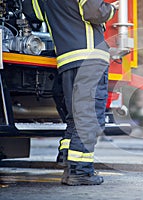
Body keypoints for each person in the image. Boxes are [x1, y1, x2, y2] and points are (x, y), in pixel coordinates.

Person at [22, 0, 119, 186]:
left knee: (76, 117)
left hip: (66, 61)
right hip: (90, 58)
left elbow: (31, 12)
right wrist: (112, 10)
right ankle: (80, 172)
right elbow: (94, 11)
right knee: (88, 118)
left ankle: (69, 162)